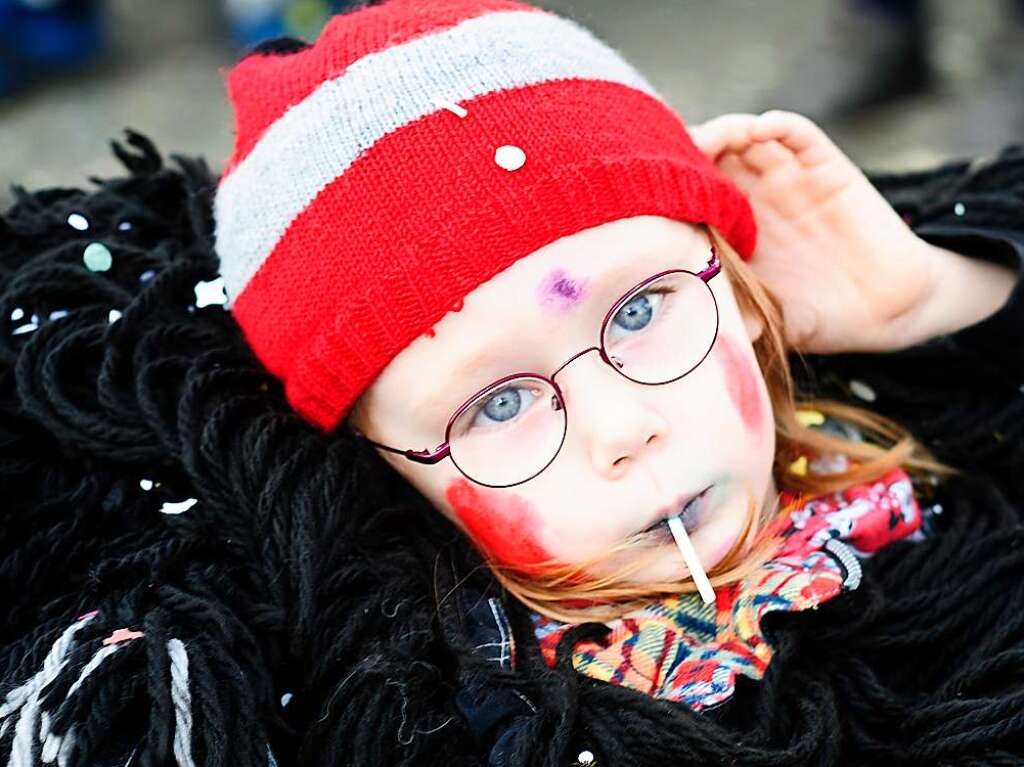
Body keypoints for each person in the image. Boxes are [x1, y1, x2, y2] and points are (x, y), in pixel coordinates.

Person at [1, 0, 1022, 764]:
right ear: (388, 467)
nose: (623, 427)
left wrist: (935, 299)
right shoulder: (457, 709)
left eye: (637, 308)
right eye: (496, 403)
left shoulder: (902, 431)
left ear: (741, 288)